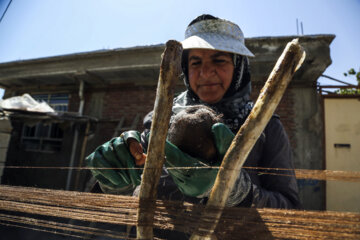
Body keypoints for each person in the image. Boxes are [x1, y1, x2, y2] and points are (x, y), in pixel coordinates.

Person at [86, 13, 301, 231]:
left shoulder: (265, 127)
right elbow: (124, 190)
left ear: (239, 68)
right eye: (195, 62)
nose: (205, 72)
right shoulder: (161, 120)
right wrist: (111, 180)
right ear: (186, 70)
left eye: (219, 60)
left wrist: (236, 191)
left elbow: (289, 217)